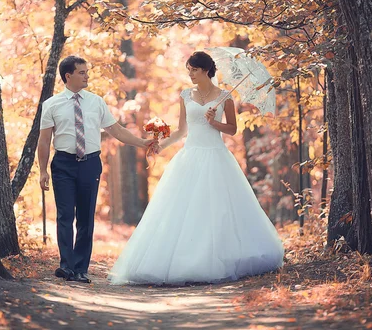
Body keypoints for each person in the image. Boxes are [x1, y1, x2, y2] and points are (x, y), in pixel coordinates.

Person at [108, 51, 284, 285]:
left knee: (217, 209)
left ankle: (216, 258)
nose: (189, 73)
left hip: (216, 157)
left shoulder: (225, 97)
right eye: (188, 69)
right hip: (189, 156)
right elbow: (181, 131)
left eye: (193, 69)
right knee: (181, 209)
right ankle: (181, 259)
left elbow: (232, 129)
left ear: (205, 71)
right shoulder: (186, 95)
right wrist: (160, 146)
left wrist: (214, 122)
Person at [38, 56, 156, 284]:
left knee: (86, 218)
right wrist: (43, 171)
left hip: (90, 163)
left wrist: (142, 143)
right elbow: (44, 141)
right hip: (63, 164)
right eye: (82, 72)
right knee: (65, 216)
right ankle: (66, 266)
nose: (87, 75)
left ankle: (81, 269)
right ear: (68, 76)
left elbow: (117, 130)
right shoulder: (51, 105)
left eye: (87, 71)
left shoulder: (96, 102)